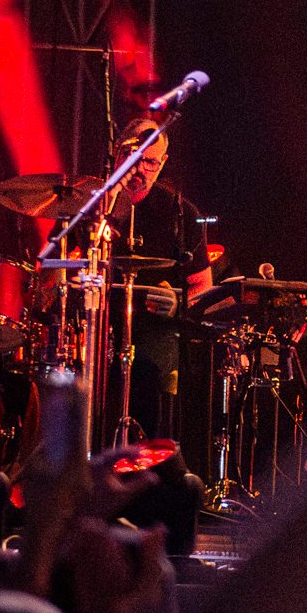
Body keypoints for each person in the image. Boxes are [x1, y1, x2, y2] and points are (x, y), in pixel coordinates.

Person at [103, 116, 216, 441]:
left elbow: (203, 285)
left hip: (154, 342)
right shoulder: (90, 204)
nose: (140, 171)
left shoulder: (181, 213)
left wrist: (181, 302)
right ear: (118, 153)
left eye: (151, 163)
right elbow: (57, 270)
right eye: (135, 160)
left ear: (163, 163)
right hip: (96, 334)